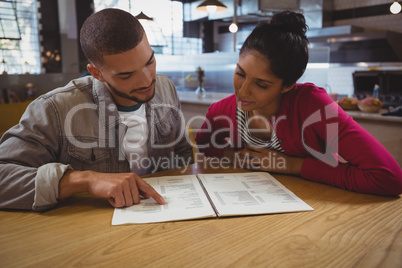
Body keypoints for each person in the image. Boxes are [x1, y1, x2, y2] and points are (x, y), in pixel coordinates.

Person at [0, 8, 194, 211]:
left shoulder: (165, 86)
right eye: (126, 75)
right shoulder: (55, 108)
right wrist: (85, 180)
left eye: (150, 62)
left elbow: (181, 151)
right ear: (96, 73)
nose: (147, 80)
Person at [195, 11, 402, 196]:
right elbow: (204, 144)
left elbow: (388, 178)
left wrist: (292, 165)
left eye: (261, 84)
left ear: (287, 86)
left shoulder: (313, 105)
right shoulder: (221, 111)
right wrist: (231, 155)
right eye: (240, 73)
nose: (243, 90)